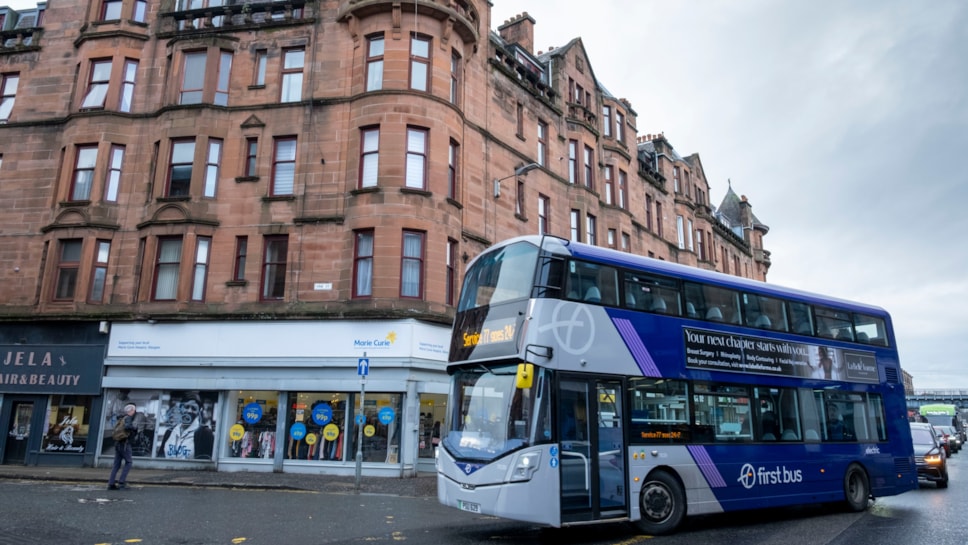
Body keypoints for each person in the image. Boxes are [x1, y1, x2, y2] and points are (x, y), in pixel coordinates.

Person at [158, 391, 215, 460]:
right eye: (186, 407)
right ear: (181, 408)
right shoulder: (170, 432)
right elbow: (160, 457)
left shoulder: (204, 433)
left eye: (194, 408)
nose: (189, 411)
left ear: (199, 412)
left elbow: (204, 463)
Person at [107, 403, 137, 490]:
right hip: (125, 444)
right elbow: (128, 427)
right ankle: (121, 482)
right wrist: (134, 428)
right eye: (133, 410)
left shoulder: (121, 418)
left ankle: (111, 483)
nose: (134, 412)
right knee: (129, 462)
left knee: (116, 464)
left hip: (118, 443)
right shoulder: (128, 418)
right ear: (130, 411)